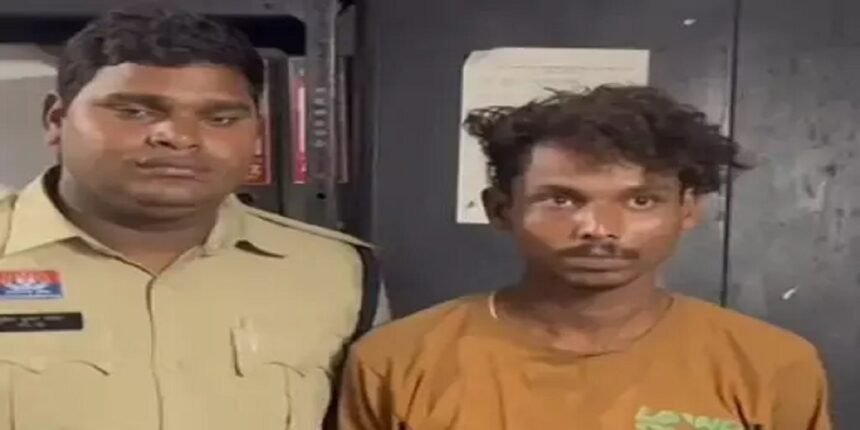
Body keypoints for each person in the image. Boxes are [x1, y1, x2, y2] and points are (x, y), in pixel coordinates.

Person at [338, 86, 831, 430]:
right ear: (501, 209)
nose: (598, 227)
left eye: (641, 200)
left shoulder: (771, 364)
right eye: (561, 199)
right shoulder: (398, 360)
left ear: (687, 210)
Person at [0, 7, 369, 430]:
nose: (179, 137)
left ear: (257, 133)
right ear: (55, 120)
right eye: (134, 112)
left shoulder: (338, 272)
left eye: (220, 118)